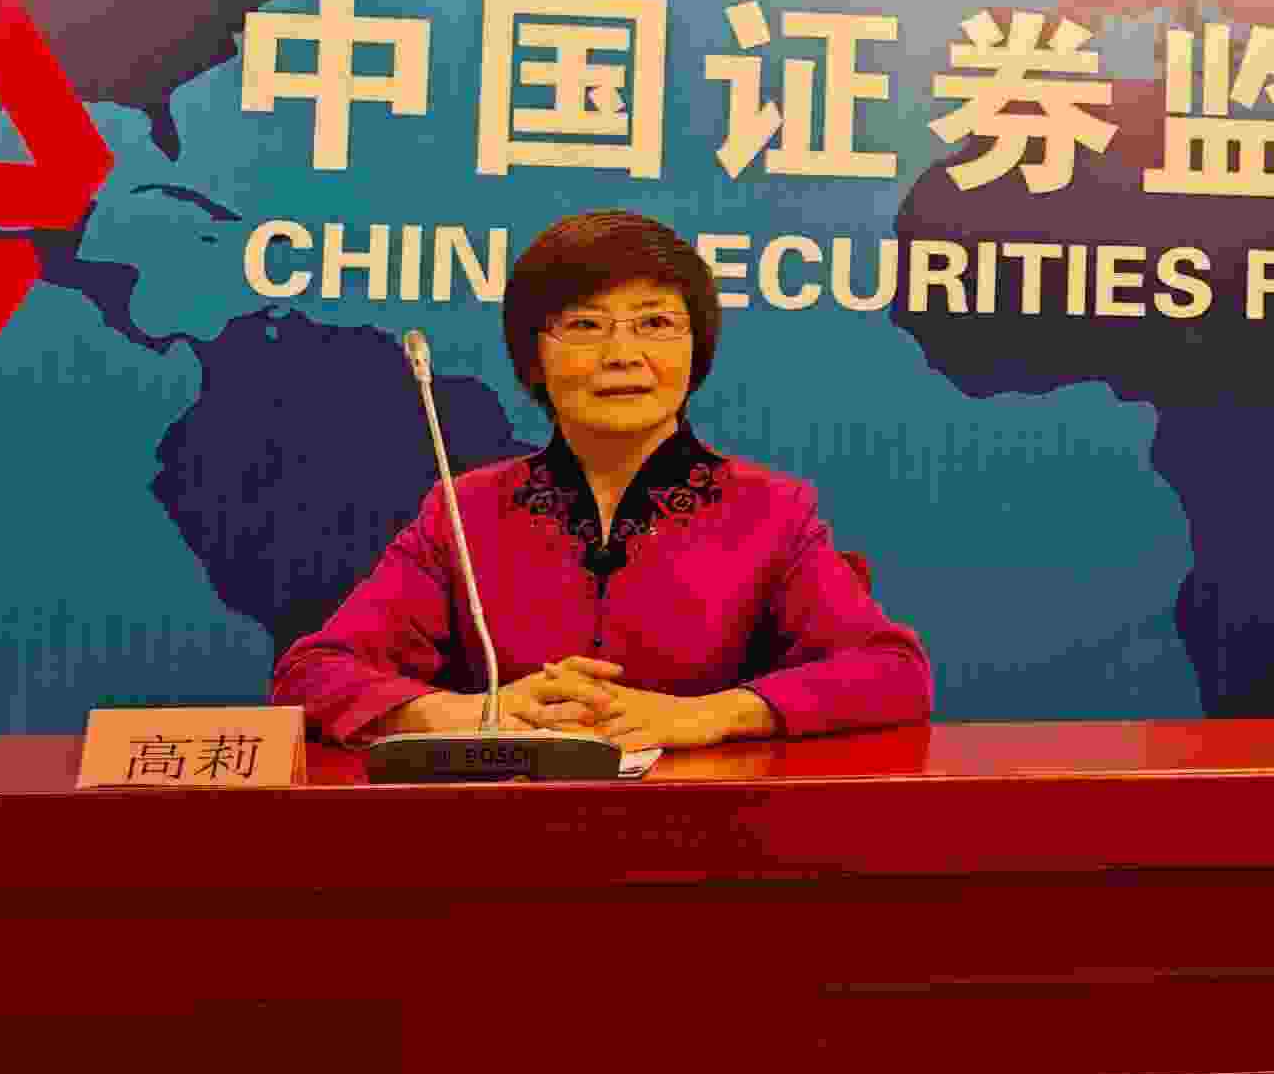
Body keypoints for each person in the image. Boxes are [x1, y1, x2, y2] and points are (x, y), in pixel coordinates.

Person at [275, 209, 933, 750]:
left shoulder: (772, 511)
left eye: (655, 323)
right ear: (534, 355)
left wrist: (711, 715)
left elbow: (893, 672)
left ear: (696, 350)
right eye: (585, 326)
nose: (622, 354)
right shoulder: (466, 510)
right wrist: (465, 713)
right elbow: (310, 674)